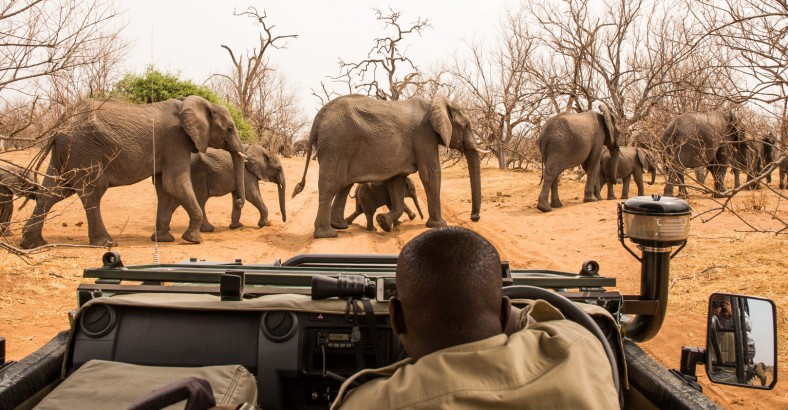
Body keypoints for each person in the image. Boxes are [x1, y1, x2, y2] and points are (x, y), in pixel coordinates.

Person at [331, 227, 619, 409]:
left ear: (396, 319)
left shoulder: (369, 403)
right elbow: (549, 322)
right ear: (505, 312)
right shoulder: (579, 349)